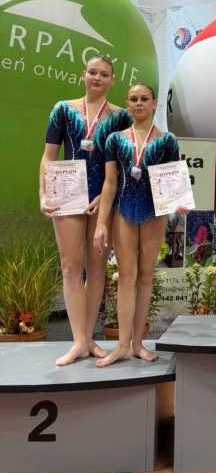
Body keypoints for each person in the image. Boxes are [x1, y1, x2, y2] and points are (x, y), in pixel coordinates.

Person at [39, 55, 131, 366]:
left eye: (104, 74)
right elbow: (48, 156)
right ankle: (78, 340)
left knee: (97, 266)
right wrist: (43, 193)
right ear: (83, 75)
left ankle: (89, 338)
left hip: (102, 197)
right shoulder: (63, 109)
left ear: (112, 80)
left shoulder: (121, 117)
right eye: (93, 72)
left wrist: (107, 196)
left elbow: (124, 163)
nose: (97, 78)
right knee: (70, 266)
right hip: (67, 192)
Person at [93, 83, 186, 366]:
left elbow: (171, 178)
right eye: (133, 99)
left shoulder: (167, 141)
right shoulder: (115, 140)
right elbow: (110, 184)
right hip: (123, 212)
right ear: (127, 103)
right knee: (126, 276)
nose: (139, 103)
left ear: (154, 103)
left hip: (154, 213)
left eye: (144, 99)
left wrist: (178, 202)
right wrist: (101, 223)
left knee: (146, 277)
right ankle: (122, 344)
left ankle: (138, 343)